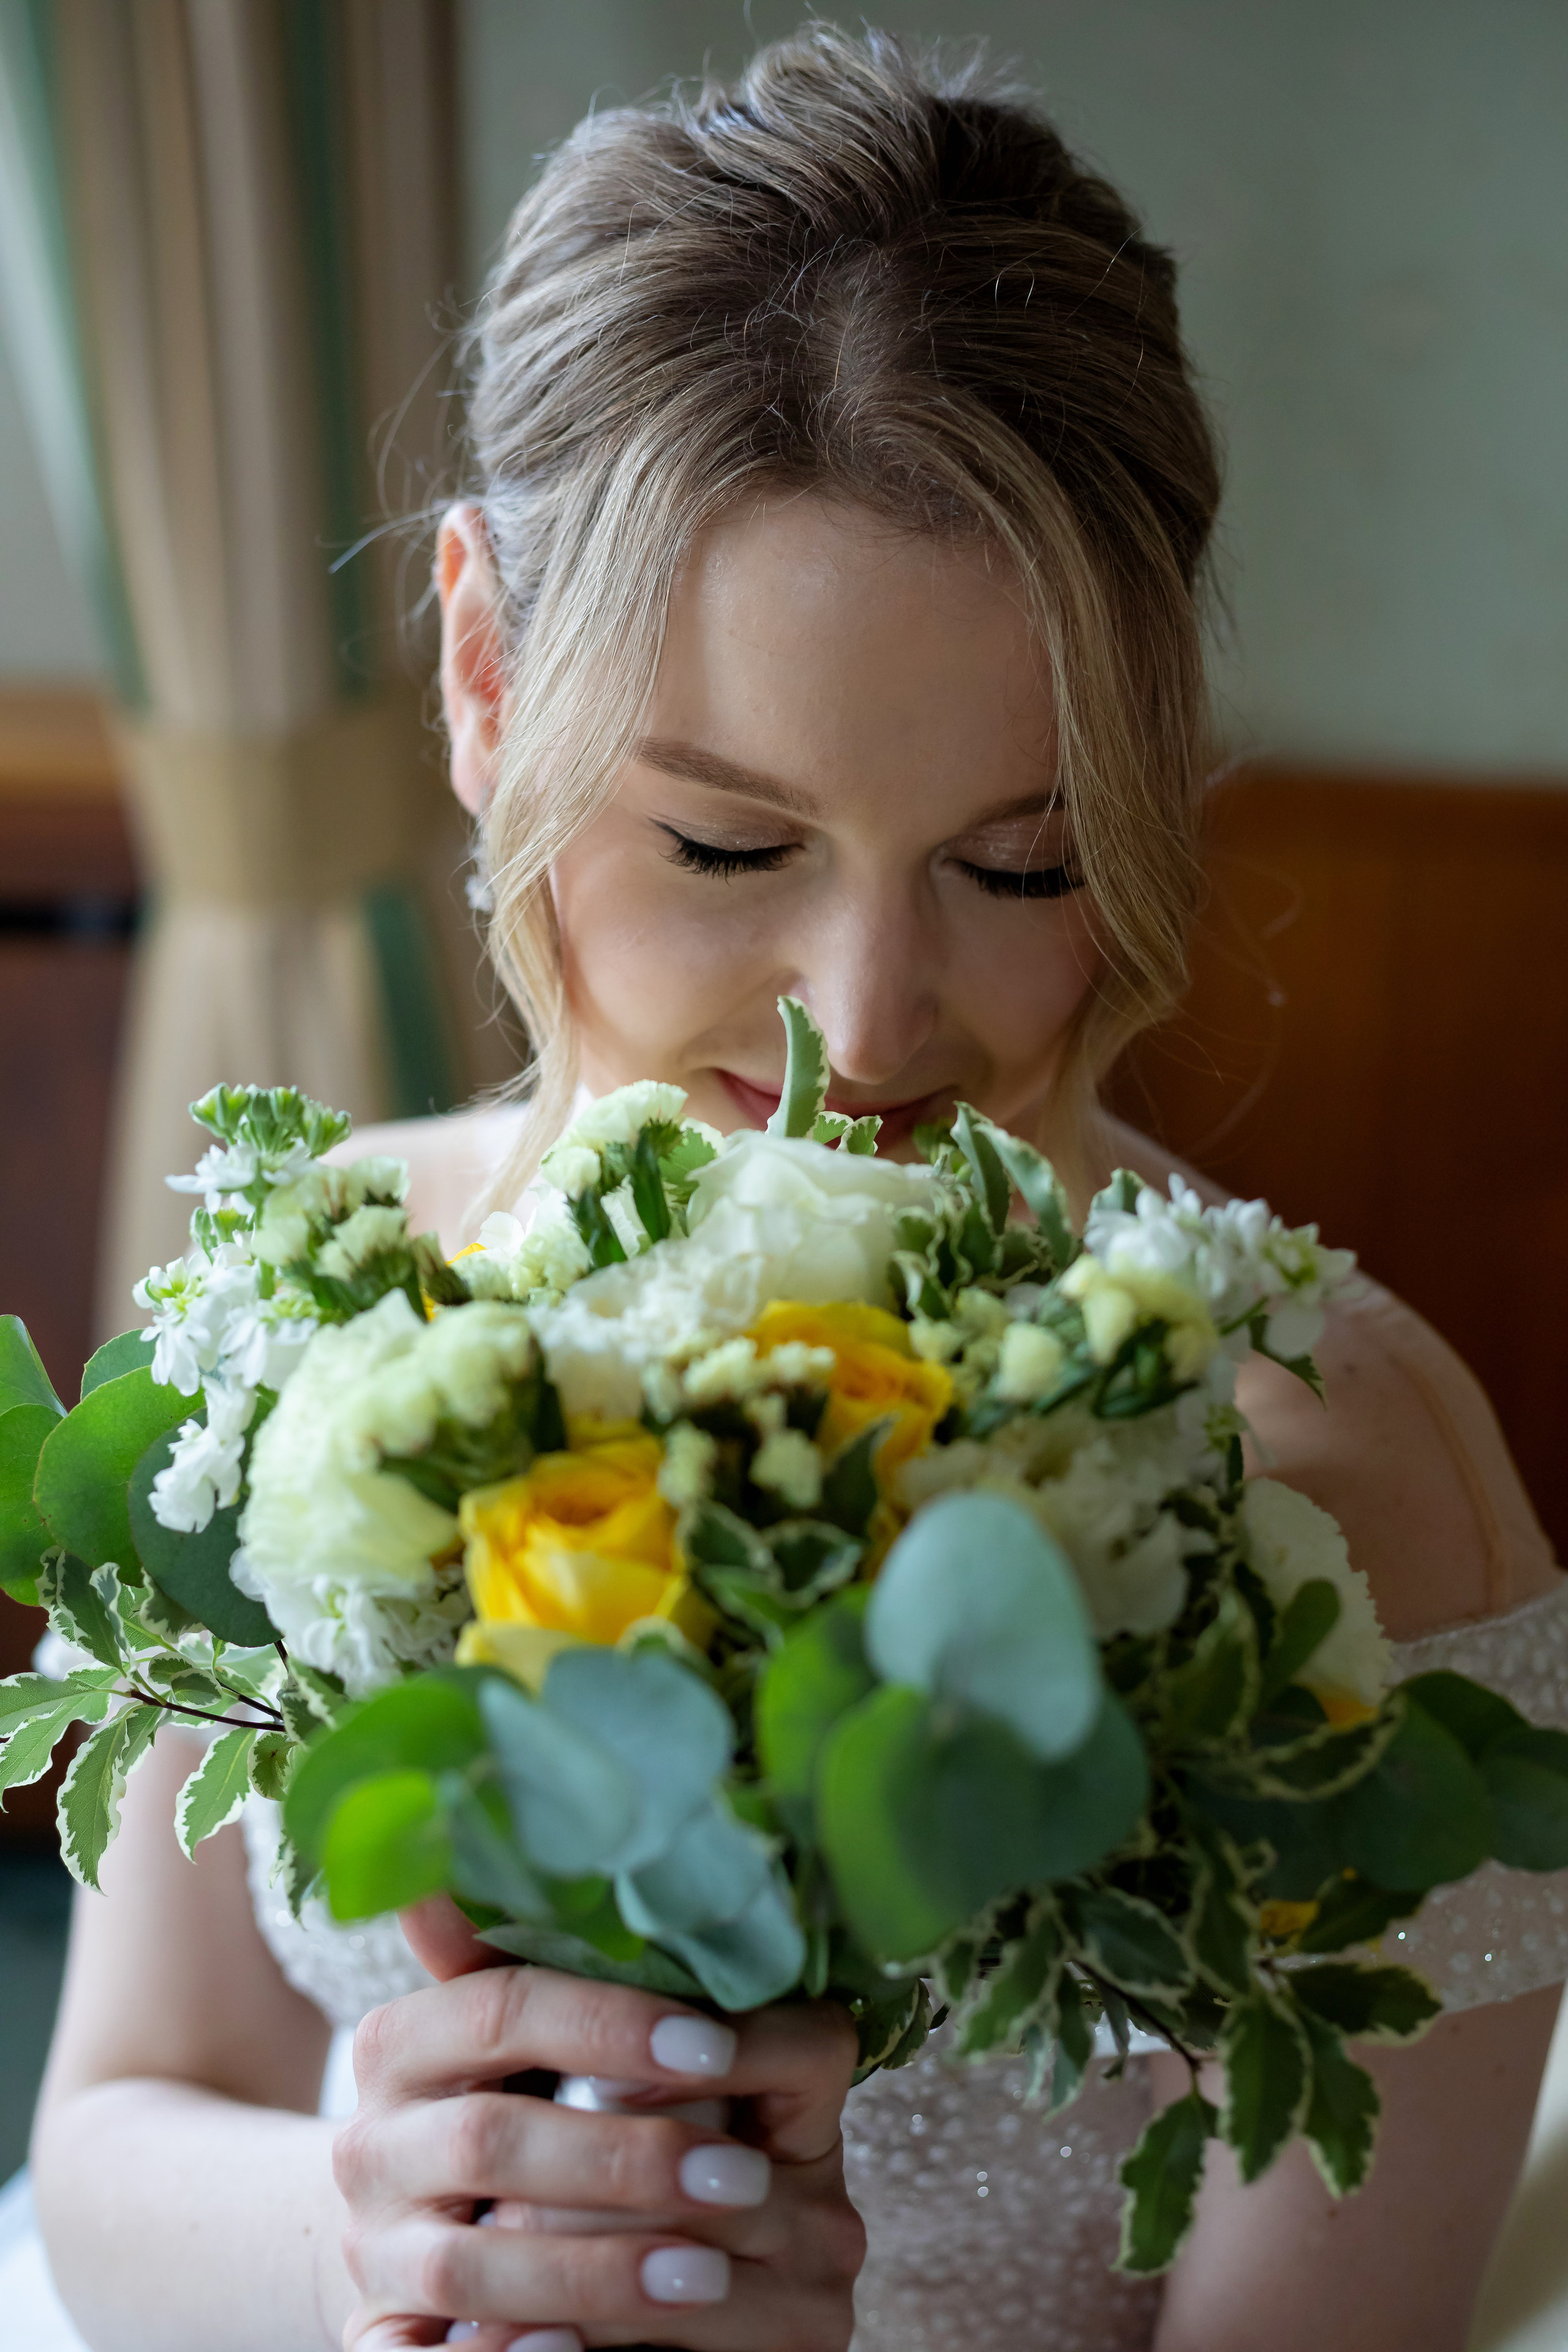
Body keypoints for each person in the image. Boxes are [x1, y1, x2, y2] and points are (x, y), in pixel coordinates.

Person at [19, 26, 1568, 2352]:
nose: (868, 1024)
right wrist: (366, 2232)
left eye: (1018, 861)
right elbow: (115, 2134)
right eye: (730, 845)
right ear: (476, 669)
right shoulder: (297, 1311)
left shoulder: (1351, 1479)